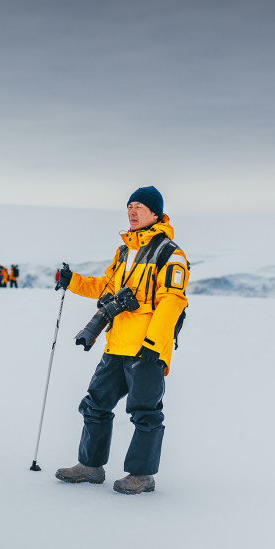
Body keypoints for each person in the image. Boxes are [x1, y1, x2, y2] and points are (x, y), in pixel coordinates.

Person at [55, 186, 189, 495]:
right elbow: (106, 286)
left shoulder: (170, 253)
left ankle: (141, 475)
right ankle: (90, 466)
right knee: (95, 403)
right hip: (116, 344)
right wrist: (72, 280)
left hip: (145, 348)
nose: (132, 211)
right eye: (129, 206)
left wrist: (153, 346)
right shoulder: (124, 252)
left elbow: (172, 301)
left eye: (139, 206)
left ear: (155, 213)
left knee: (145, 413)